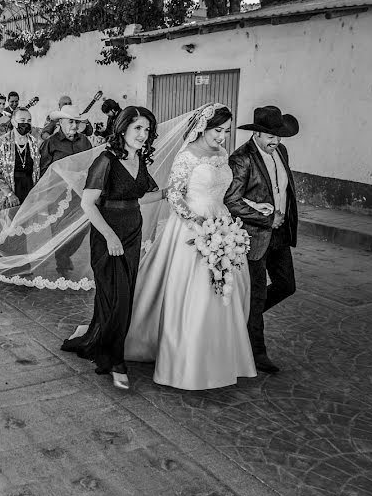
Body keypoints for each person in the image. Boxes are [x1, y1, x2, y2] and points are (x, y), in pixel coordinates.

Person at [125, 103, 256, 390]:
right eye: (218, 131)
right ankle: (188, 361)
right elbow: (173, 195)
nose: (222, 137)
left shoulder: (222, 154)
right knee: (195, 291)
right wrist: (196, 222)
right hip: (191, 228)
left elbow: (223, 190)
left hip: (220, 222)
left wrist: (224, 223)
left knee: (226, 288)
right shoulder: (186, 155)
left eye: (226, 131)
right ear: (203, 128)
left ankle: (222, 358)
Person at [60, 106, 164, 390]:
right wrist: (110, 237)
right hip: (108, 237)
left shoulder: (139, 158)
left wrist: (169, 192)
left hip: (132, 233)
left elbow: (138, 198)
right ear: (122, 129)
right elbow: (87, 204)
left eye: (146, 129)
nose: (143, 135)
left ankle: (97, 340)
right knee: (117, 298)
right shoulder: (105, 159)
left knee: (122, 295)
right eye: (137, 128)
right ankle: (115, 360)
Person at [225, 105, 300, 374]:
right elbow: (231, 201)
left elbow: (283, 189)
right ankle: (256, 352)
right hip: (255, 235)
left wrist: (282, 220)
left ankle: (244, 319)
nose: (276, 141)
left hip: (280, 234)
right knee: (256, 295)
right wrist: (267, 219)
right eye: (270, 136)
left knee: (286, 285)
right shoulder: (241, 158)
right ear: (257, 133)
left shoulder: (281, 151)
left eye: (278, 136)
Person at [39, 102, 93, 278]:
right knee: (59, 229)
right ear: (60, 123)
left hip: (79, 193)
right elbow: (43, 170)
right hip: (57, 195)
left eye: (76, 122)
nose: (74, 126)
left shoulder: (85, 141)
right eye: (70, 122)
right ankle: (61, 260)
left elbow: (91, 165)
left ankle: (65, 254)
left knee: (82, 227)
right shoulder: (51, 143)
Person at [0, 108, 40, 215]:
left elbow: (37, 170)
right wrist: (9, 194)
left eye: (29, 120)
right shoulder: (2, 142)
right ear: (13, 121)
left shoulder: (34, 143)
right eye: (22, 120)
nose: (26, 123)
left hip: (29, 190)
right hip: (11, 190)